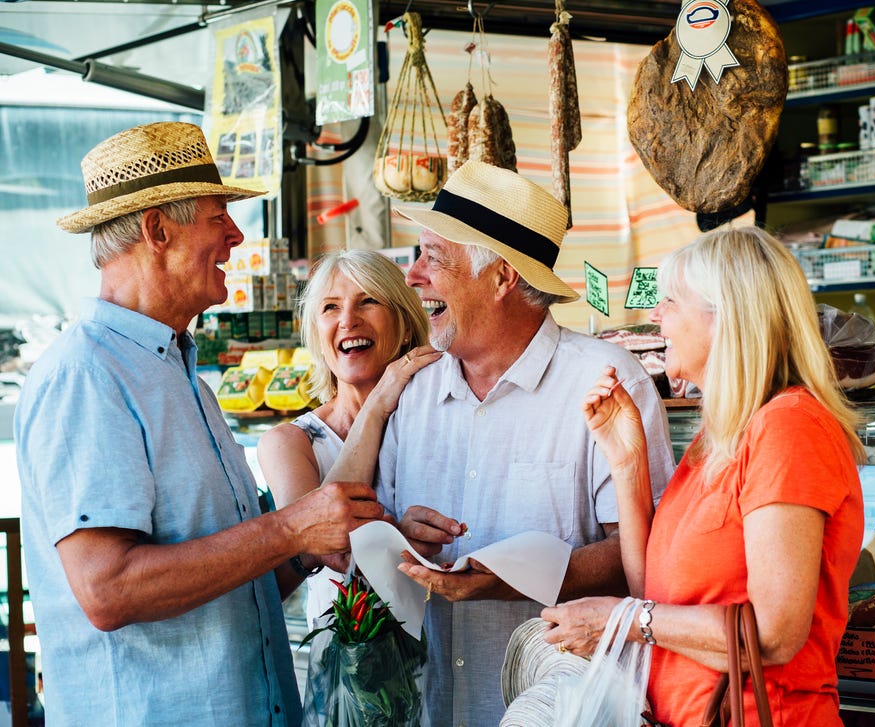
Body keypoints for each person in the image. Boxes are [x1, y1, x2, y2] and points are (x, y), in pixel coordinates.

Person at [14, 122, 386, 726]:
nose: (237, 236)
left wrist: (329, 538)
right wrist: (291, 529)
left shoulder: (179, 374)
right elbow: (109, 590)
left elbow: (234, 577)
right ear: (157, 230)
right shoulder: (86, 375)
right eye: (219, 217)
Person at [333, 160, 676, 725]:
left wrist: (513, 579)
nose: (413, 276)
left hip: (561, 709)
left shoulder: (606, 381)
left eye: (433, 258)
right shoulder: (414, 390)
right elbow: (367, 540)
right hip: (432, 704)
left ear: (503, 278)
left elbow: (648, 562)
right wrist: (399, 533)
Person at [542, 225, 866, 726]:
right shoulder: (720, 436)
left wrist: (618, 619)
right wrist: (628, 463)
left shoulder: (790, 427)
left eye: (670, 301)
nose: (655, 316)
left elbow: (772, 635)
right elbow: (655, 591)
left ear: (725, 318)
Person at [257, 249, 440, 634]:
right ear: (318, 336)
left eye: (368, 301)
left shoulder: (436, 418)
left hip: (446, 652)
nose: (347, 320)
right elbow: (331, 547)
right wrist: (376, 406)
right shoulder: (290, 443)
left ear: (406, 325)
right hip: (353, 676)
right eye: (330, 308)